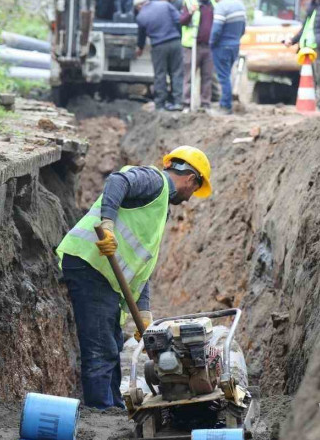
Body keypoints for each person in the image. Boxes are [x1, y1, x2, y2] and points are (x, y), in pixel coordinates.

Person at [56, 146, 213, 409]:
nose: (189, 198)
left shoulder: (160, 207)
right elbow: (118, 180)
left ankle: (114, 407)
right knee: (100, 348)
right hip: (90, 264)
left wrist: (144, 311)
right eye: (195, 190)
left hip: (103, 275)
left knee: (113, 344)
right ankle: (101, 413)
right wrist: (107, 225)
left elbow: (142, 264)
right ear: (191, 178)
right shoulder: (155, 181)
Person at [284, 0, 320, 112]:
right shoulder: (312, 6)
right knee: (308, 77)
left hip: (318, 47)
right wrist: (293, 41)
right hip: (306, 48)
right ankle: (309, 104)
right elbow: (305, 28)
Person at [136, 0, 185, 111]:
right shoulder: (165, 5)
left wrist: (140, 48)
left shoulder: (141, 16)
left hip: (158, 46)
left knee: (160, 75)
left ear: (139, 5)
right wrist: (179, 36)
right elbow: (179, 20)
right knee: (177, 72)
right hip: (175, 42)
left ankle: (160, 105)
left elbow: (141, 36)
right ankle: (177, 102)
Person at [209, 0, 247, 114]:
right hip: (235, 45)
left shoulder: (221, 7)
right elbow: (243, 28)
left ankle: (226, 106)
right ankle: (223, 104)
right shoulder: (240, 5)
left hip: (222, 46)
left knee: (224, 77)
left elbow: (216, 29)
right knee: (227, 75)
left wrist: (211, 43)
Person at [180, 0, 216, 110]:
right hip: (192, 45)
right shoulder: (190, 3)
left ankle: (205, 104)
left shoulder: (212, 5)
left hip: (208, 46)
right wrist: (191, 12)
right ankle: (187, 103)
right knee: (189, 76)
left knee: (207, 76)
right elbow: (182, 21)